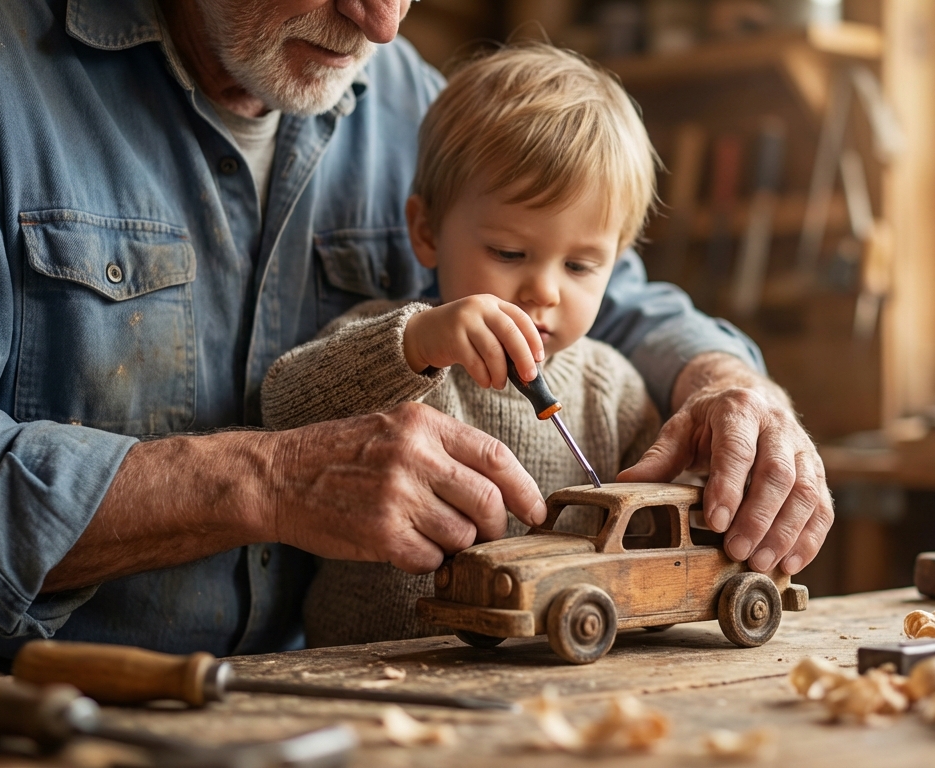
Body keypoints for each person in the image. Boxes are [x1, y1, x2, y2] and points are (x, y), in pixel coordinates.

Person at [0, 0, 832, 682]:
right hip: (5, 710)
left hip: (326, 707)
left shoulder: (399, 91)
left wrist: (724, 382)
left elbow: (599, 291)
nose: (383, 20)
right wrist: (265, 484)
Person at [262, 44, 664, 646]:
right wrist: (416, 343)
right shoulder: (395, 342)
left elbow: (657, 524)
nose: (543, 290)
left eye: (581, 266)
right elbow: (283, 408)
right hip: (365, 679)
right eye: (508, 253)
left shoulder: (612, 392)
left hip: (560, 684)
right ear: (427, 232)